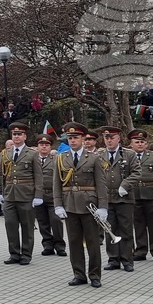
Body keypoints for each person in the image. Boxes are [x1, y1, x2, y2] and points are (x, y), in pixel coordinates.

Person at [52, 122, 108, 288]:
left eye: (76, 137)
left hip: (89, 204)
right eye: (70, 138)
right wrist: (58, 204)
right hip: (69, 204)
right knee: (74, 242)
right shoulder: (61, 158)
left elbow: (101, 184)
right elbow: (56, 184)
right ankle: (79, 274)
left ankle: (95, 275)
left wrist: (103, 206)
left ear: (83, 138)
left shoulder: (94, 158)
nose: (72, 140)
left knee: (93, 243)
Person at [0, 122, 44, 265]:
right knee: (10, 225)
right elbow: (1, 174)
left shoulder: (33, 153)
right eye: (14, 134)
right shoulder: (5, 153)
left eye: (19, 134)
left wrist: (38, 195)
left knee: (27, 226)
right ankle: (14, 254)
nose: (16, 136)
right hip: (10, 194)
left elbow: (38, 176)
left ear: (25, 136)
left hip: (26, 195)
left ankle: (26, 254)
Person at [121, 129, 153, 263]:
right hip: (134, 194)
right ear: (131, 144)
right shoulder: (126, 157)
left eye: (142, 142)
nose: (140, 144)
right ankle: (141, 250)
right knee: (138, 224)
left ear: (146, 144)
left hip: (152, 194)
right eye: (137, 142)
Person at [100, 126, 136, 272]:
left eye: (112, 137)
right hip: (107, 198)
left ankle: (127, 260)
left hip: (124, 198)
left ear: (118, 138)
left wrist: (125, 185)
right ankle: (113, 259)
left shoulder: (129, 154)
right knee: (110, 230)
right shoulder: (99, 155)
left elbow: (136, 172)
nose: (109, 140)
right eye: (106, 138)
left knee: (125, 230)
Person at [32, 134, 65, 257]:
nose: (44, 147)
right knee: (43, 222)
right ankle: (47, 245)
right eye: (41, 144)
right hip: (38, 196)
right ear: (37, 146)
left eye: (47, 145)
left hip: (53, 195)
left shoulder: (56, 159)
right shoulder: (33, 159)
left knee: (56, 221)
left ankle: (60, 245)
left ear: (50, 147)